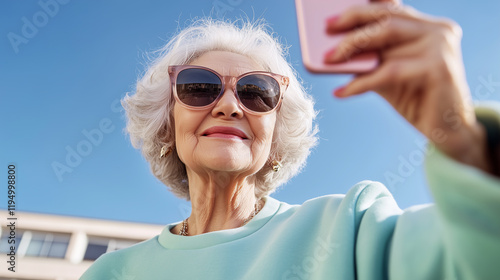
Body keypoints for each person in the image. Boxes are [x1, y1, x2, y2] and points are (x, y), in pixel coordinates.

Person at [81, 0, 500, 279]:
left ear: (275, 138)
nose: (229, 106)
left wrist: (460, 138)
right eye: (199, 87)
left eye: (256, 92)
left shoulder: (351, 228)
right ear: (166, 126)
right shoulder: (113, 272)